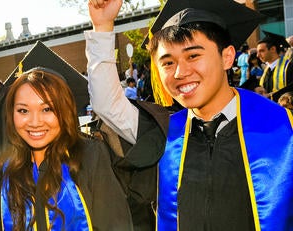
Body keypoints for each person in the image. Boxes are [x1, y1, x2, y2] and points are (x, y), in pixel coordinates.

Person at [87, 0, 293, 230]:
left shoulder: (284, 129)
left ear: (227, 57)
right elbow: (107, 105)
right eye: (167, 62)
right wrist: (103, 26)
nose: (180, 72)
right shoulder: (165, 133)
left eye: (193, 56)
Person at [0, 1, 132, 230]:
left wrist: (103, 27)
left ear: (65, 111)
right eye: (23, 110)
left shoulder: (89, 157)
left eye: (47, 109)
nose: (35, 121)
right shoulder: (8, 159)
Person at [257, 31, 293, 101]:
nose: (257, 55)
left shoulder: (289, 67)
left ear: (273, 49)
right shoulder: (266, 70)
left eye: (261, 51)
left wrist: (271, 96)